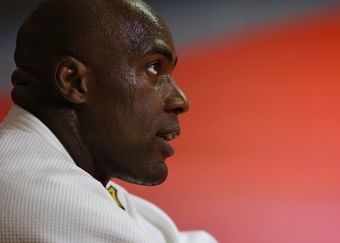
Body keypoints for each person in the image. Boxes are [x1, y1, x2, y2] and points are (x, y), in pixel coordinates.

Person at [0, 0, 216, 242]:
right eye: (154, 68)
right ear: (74, 82)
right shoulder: (44, 195)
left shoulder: (43, 170)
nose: (180, 100)